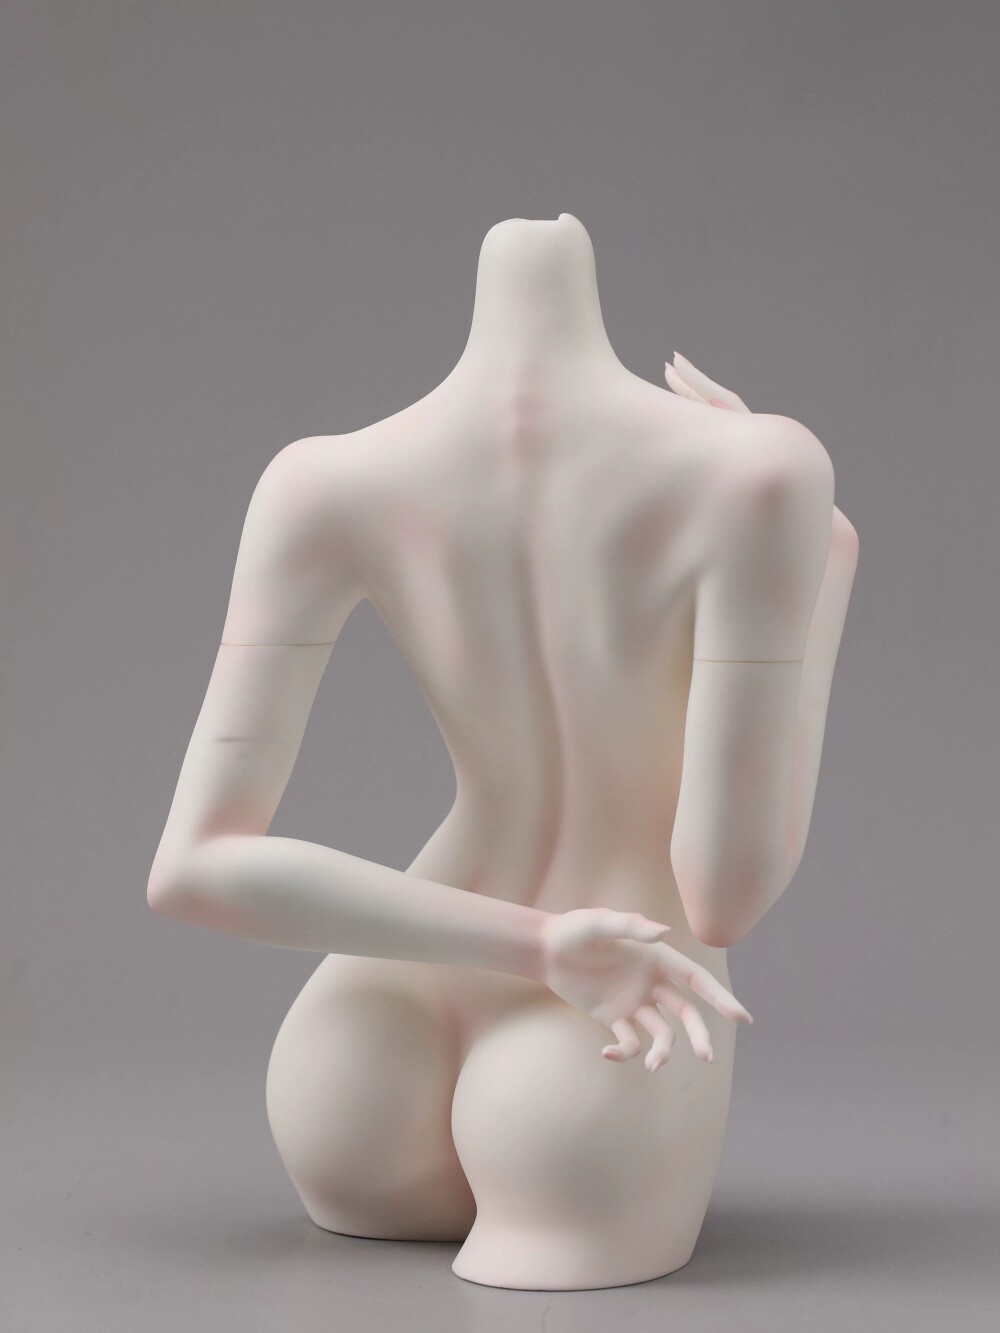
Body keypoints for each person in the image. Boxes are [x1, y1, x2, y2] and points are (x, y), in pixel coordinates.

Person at [147, 214, 858, 1290]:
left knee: (357, 1152)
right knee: (558, 1202)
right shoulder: (754, 473)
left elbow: (192, 867)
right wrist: (823, 555)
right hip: (623, 994)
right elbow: (723, 894)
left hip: (364, 1038)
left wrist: (530, 943)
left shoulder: (323, 479)